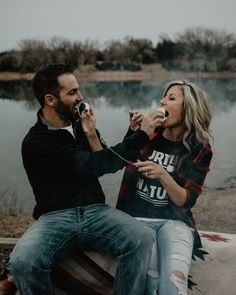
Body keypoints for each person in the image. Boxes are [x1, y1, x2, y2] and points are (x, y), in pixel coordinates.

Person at [7, 63, 163, 295]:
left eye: (78, 89)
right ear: (50, 99)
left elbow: (105, 163)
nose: (80, 97)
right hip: (54, 218)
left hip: (95, 211)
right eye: (72, 92)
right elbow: (95, 164)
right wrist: (142, 136)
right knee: (23, 263)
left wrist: (94, 133)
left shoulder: (81, 126)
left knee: (140, 238)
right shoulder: (37, 142)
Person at [117, 80, 213, 295]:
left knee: (174, 284)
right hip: (136, 220)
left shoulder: (200, 149)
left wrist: (162, 174)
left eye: (171, 98)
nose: (161, 101)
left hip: (175, 222)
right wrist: (135, 131)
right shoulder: (149, 133)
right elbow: (120, 160)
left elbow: (185, 200)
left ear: (188, 108)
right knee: (151, 284)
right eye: (163, 96)